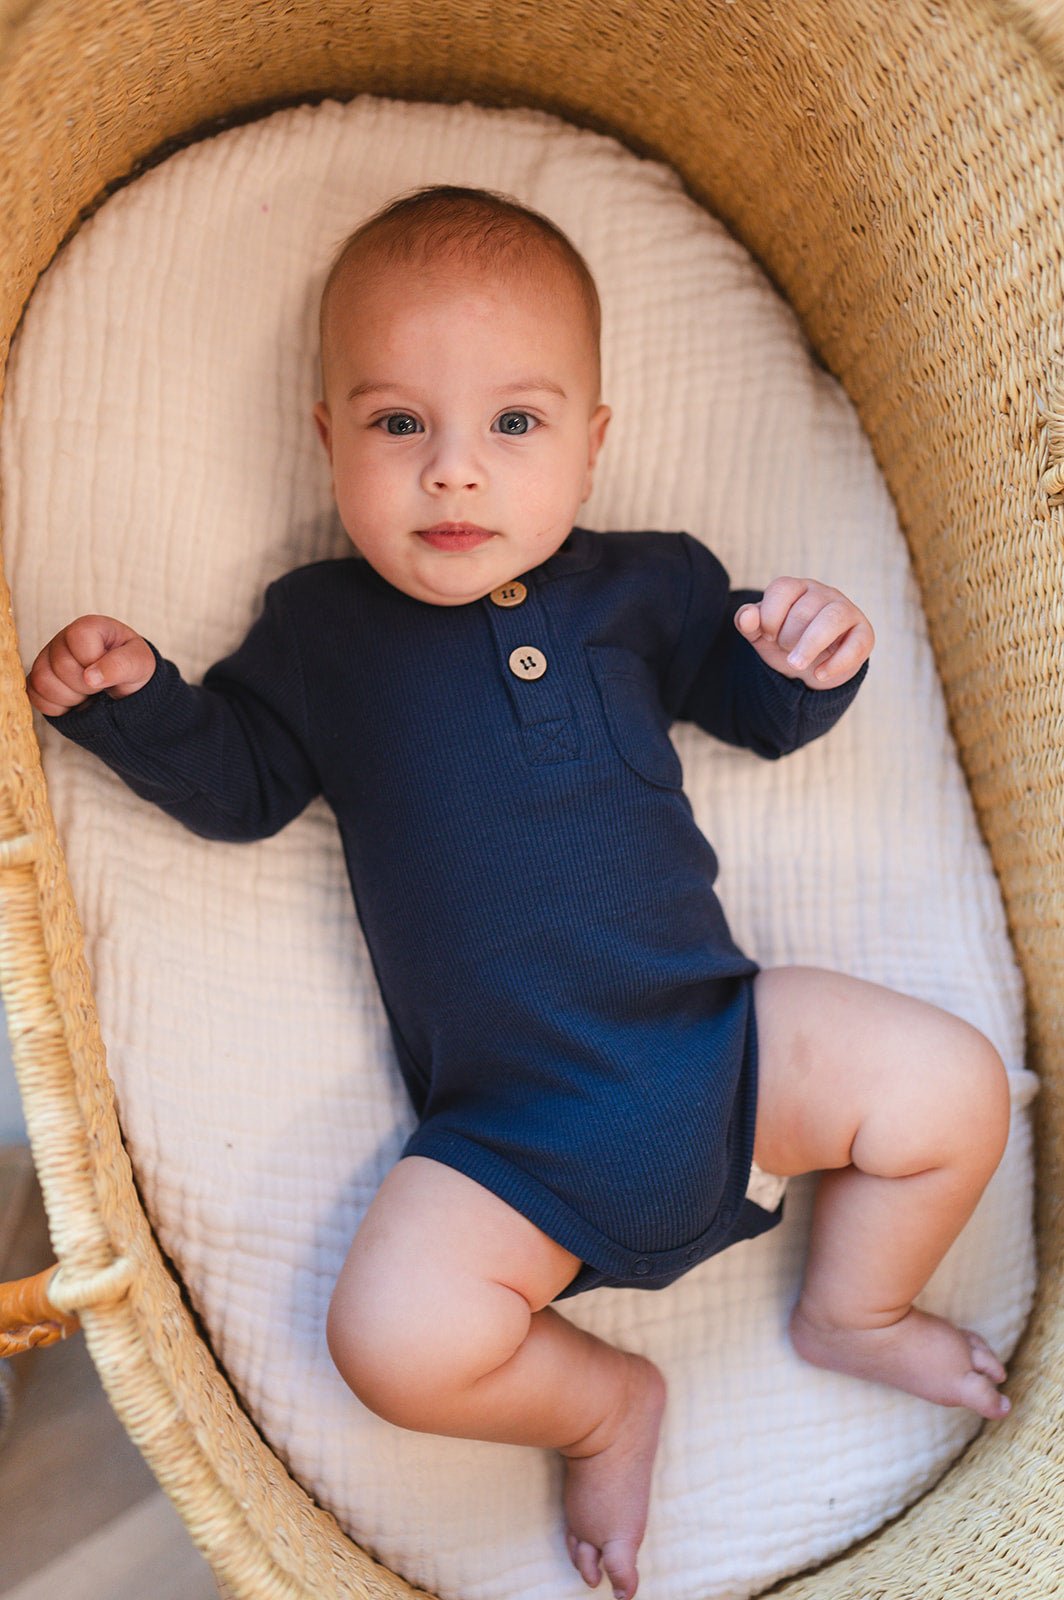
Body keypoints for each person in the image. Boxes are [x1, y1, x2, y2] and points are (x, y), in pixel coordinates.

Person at [26, 186, 1012, 1600]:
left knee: (952, 1084)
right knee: (392, 1344)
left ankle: (855, 1309)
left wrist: (811, 655)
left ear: (593, 446)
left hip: (724, 1045)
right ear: (328, 440)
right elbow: (241, 788)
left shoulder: (650, 587)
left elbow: (760, 714)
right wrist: (133, 703)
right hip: (512, 1140)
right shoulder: (321, 634)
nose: (454, 476)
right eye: (396, 425)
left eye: (515, 425)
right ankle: (603, 1401)